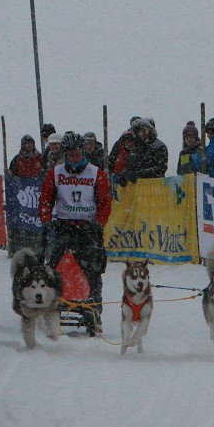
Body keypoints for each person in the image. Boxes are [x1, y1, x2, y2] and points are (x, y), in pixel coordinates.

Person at [39, 131, 111, 334]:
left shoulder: (95, 173)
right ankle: (54, 303)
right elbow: (45, 199)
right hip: (64, 226)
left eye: (77, 155)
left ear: (83, 153)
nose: (73, 159)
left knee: (93, 269)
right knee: (53, 267)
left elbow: (105, 201)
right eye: (70, 155)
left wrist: (100, 221)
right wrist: (46, 220)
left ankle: (94, 309)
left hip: (88, 228)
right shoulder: (56, 173)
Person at [122, 118, 167, 183]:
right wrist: (124, 174)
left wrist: (139, 174)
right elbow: (131, 167)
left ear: (150, 130)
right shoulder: (137, 148)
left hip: (155, 186)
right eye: (141, 129)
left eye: (145, 129)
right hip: (138, 188)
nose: (143, 131)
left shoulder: (159, 146)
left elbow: (161, 168)